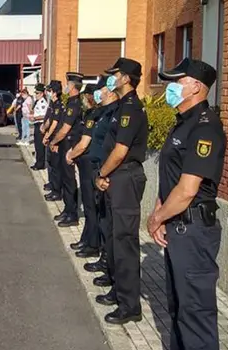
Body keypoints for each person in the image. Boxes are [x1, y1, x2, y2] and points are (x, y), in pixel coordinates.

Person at [146, 58, 226, 350]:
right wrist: (161, 209)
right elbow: (173, 179)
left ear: (196, 86)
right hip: (178, 226)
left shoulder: (206, 128)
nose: (169, 87)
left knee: (197, 314)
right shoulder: (185, 124)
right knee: (178, 305)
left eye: (176, 81)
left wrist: (158, 217)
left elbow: (190, 188)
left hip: (193, 231)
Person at [94, 58, 148, 325]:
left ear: (126, 78)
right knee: (115, 238)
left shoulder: (131, 109)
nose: (111, 79)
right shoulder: (119, 107)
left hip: (125, 177)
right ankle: (119, 290)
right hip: (116, 177)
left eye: (115, 75)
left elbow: (120, 151)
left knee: (124, 242)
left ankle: (130, 305)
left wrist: (102, 174)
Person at [85, 77, 121, 282]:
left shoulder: (118, 111)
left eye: (102, 89)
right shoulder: (104, 112)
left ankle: (109, 265)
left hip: (107, 173)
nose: (98, 93)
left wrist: (103, 173)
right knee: (102, 218)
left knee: (109, 223)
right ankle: (104, 259)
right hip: (99, 169)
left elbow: (117, 149)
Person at [65, 83, 100, 257]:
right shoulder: (89, 114)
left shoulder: (94, 115)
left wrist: (71, 155)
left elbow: (85, 142)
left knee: (91, 207)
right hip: (85, 164)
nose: (83, 100)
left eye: (85, 97)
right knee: (88, 206)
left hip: (90, 165)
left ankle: (92, 245)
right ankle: (86, 239)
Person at [48, 72, 83, 227]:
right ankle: (67, 209)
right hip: (64, 144)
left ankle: (72, 214)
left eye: (68, 84)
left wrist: (53, 141)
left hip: (69, 145)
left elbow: (65, 129)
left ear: (74, 86)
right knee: (64, 178)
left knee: (69, 181)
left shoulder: (74, 105)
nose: (66, 87)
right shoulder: (69, 103)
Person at [42, 80, 63, 202]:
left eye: (50, 91)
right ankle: (53, 187)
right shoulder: (53, 103)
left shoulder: (58, 105)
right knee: (50, 164)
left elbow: (55, 123)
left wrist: (47, 135)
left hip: (55, 138)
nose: (48, 93)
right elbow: (49, 119)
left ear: (54, 92)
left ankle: (57, 191)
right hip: (51, 136)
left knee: (56, 167)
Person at [30, 83, 48, 170]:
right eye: (35, 93)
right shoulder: (37, 102)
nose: (36, 95)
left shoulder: (43, 103)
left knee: (40, 146)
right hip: (36, 124)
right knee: (37, 145)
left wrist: (35, 117)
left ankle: (40, 164)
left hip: (40, 124)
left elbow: (45, 115)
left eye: (37, 93)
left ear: (42, 93)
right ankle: (38, 162)